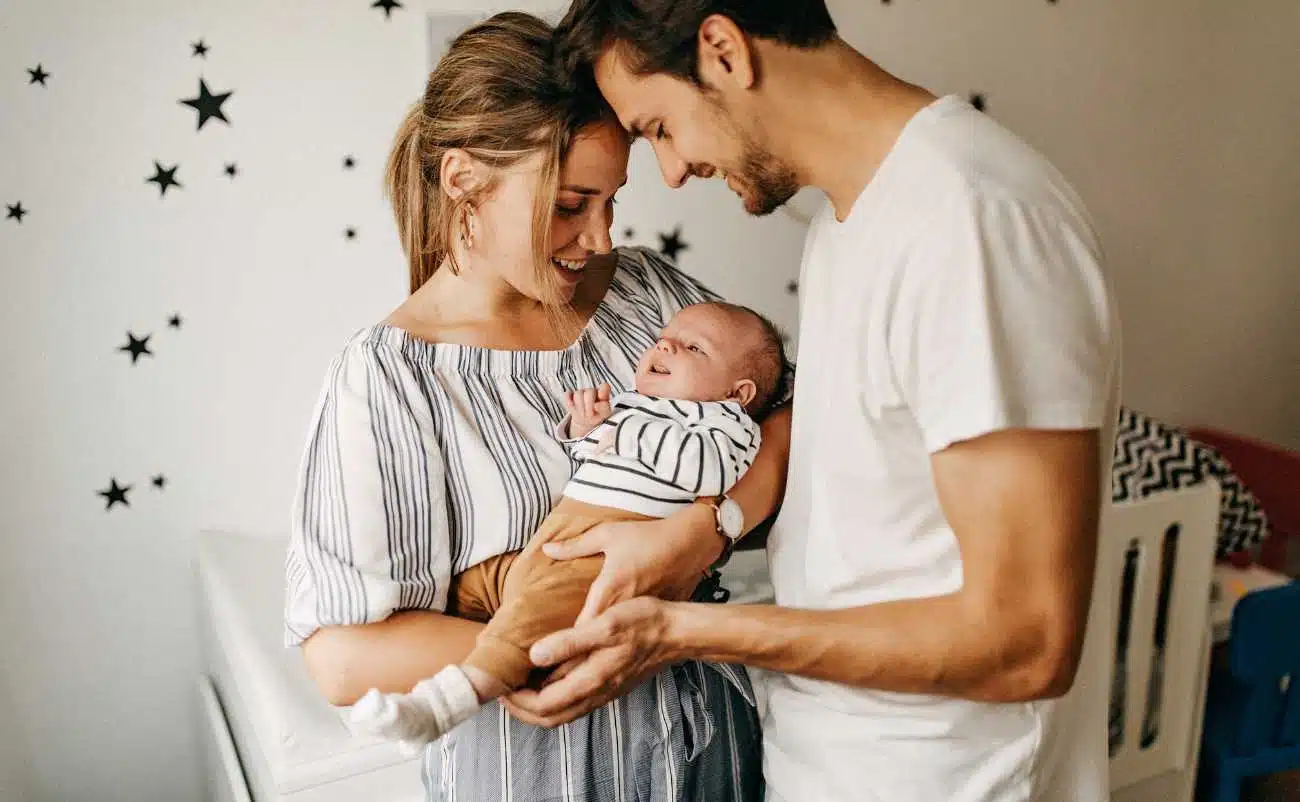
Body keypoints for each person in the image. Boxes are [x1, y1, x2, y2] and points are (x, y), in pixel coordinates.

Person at [512, 3, 1123, 801]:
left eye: (660, 127)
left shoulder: (972, 223)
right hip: (841, 762)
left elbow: (1025, 641)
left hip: (956, 779)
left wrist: (681, 631)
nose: (671, 170)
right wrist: (710, 527)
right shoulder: (847, 220)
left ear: (724, 52)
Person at [284, 12, 789, 802]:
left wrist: (704, 532)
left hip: (713, 744)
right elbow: (344, 658)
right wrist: (578, 641)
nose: (598, 237)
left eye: (611, 203)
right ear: (463, 182)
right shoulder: (390, 378)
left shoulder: (647, 295)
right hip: (540, 773)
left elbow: (788, 421)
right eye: (569, 204)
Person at [347, 301, 787, 746]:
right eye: (662, 338)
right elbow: (592, 455)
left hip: (603, 559)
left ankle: (441, 706)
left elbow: (705, 472)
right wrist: (585, 427)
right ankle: (437, 668)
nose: (666, 345)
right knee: (471, 585)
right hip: (557, 539)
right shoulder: (635, 405)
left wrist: (625, 430)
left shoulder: (727, 425)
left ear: (739, 392)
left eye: (692, 347)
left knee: (528, 621)